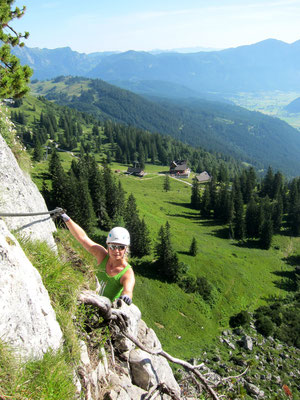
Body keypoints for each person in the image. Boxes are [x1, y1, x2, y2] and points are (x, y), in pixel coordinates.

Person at [59, 212, 135, 305]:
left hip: (105, 310)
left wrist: (126, 296)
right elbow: (83, 238)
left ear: (126, 248)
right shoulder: (102, 255)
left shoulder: (127, 272)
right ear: (108, 245)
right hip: (89, 299)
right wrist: (67, 219)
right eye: (113, 246)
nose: (116, 251)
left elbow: (128, 290)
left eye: (121, 247)